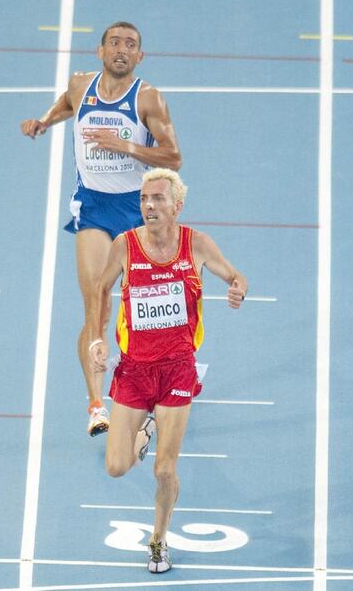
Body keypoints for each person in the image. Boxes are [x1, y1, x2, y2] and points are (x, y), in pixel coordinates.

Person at [21, 22, 182, 436]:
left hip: (136, 211)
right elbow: (65, 106)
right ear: (100, 51)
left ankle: (161, 388)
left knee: (146, 311)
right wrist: (43, 122)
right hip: (92, 206)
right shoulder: (80, 86)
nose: (121, 50)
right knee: (96, 303)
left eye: (130, 45)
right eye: (115, 43)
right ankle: (97, 404)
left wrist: (123, 144)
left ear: (139, 57)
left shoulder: (148, 98)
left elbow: (173, 157)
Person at [89, 167, 248, 573]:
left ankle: (158, 539)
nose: (148, 205)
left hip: (178, 369)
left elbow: (234, 273)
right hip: (134, 370)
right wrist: (97, 337)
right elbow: (100, 289)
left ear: (177, 205)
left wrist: (237, 288)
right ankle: (145, 429)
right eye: (144, 199)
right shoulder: (125, 246)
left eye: (157, 198)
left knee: (164, 468)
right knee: (116, 467)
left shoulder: (196, 244)